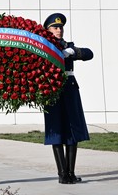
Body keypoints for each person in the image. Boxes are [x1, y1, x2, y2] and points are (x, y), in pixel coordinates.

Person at [43, 13, 93, 184]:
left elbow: (89, 53)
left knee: (72, 131)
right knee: (56, 131)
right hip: (52, 89)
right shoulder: (43, 46)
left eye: (60, 27)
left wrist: (72, 51)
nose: (59, 29)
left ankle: (71, 172)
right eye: (55, 27)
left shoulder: (68, 46)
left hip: (70, 88)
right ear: (47, 30)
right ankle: (62, 173)